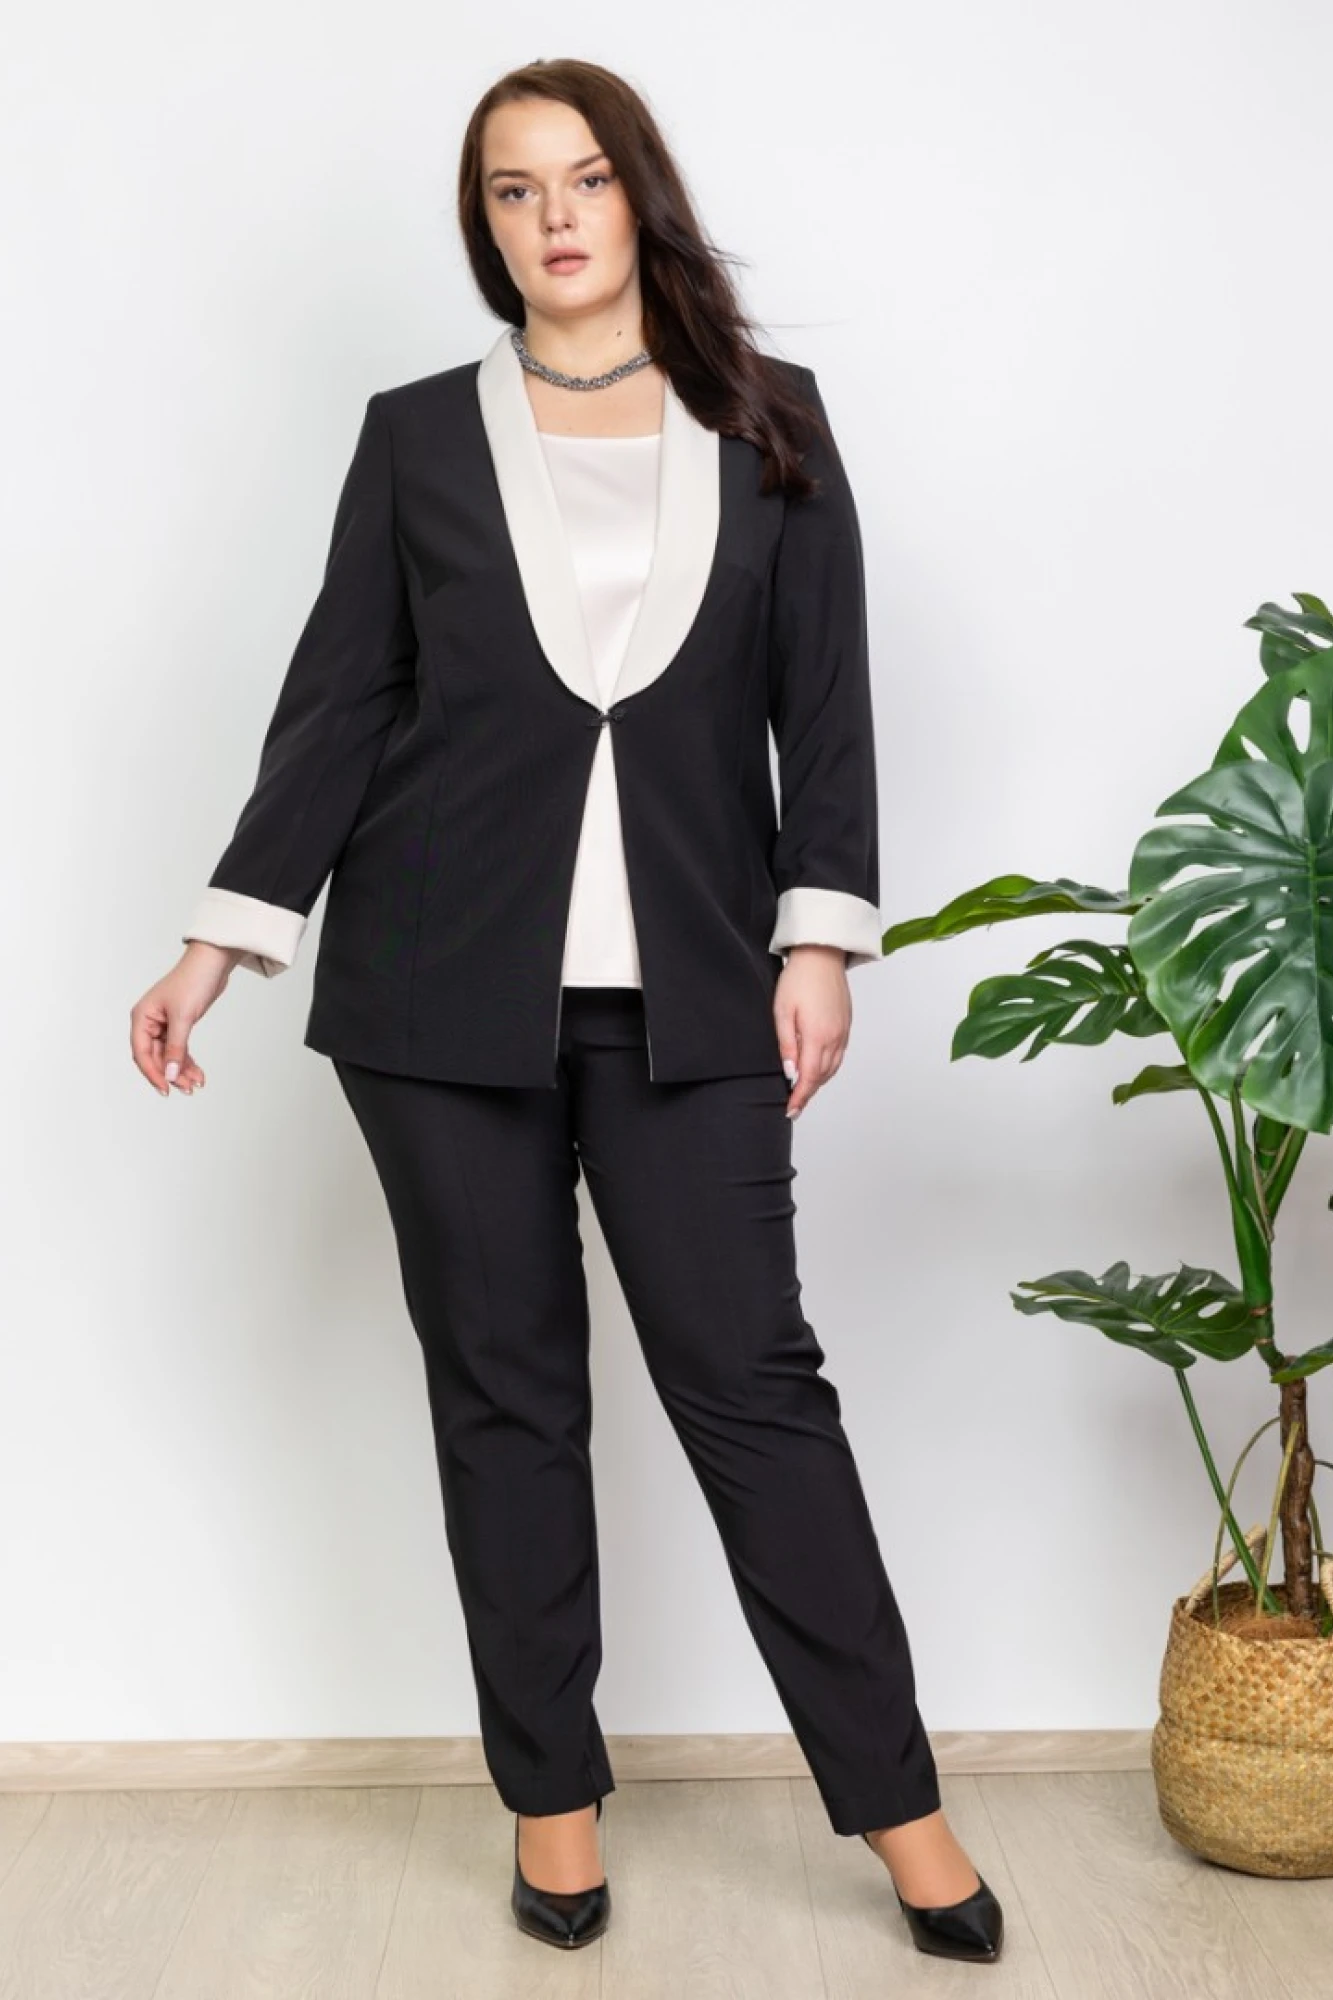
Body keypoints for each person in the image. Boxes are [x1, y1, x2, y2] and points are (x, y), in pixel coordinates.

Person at [130, 57, 1003, 1965]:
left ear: (639, 195)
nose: (554, 218)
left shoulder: (770, 418)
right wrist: (224, 939)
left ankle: (903, 1807)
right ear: (488, 226)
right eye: (514, 191)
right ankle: (551, 1801)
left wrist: (817, 941)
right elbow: (341, 704)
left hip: (693, 989)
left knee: (754, 1394)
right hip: (436, 994)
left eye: (585, 179)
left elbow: (825, 706)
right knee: (505, 1402)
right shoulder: (416, 435)